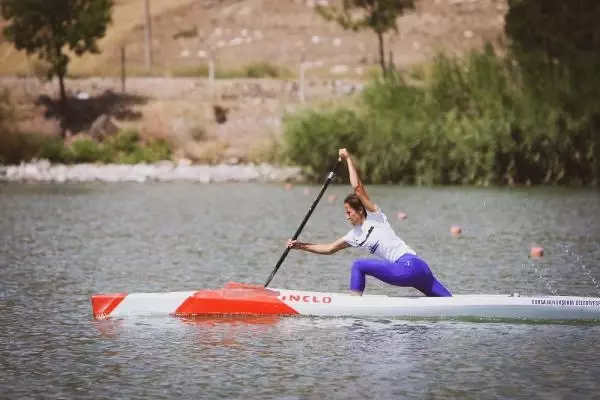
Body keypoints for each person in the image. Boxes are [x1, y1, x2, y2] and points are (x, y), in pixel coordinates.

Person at [286, 148, 452, 297]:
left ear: (359, 211)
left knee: (359, 265)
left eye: (349, 212)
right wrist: (300, 246)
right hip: (420, 269)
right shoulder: (354, 236)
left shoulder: (375, 216)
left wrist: (348, 159)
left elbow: (357, 188)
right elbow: (329, 248)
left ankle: (354, 306)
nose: (347, 217)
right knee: (449, 305)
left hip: (408, 266)